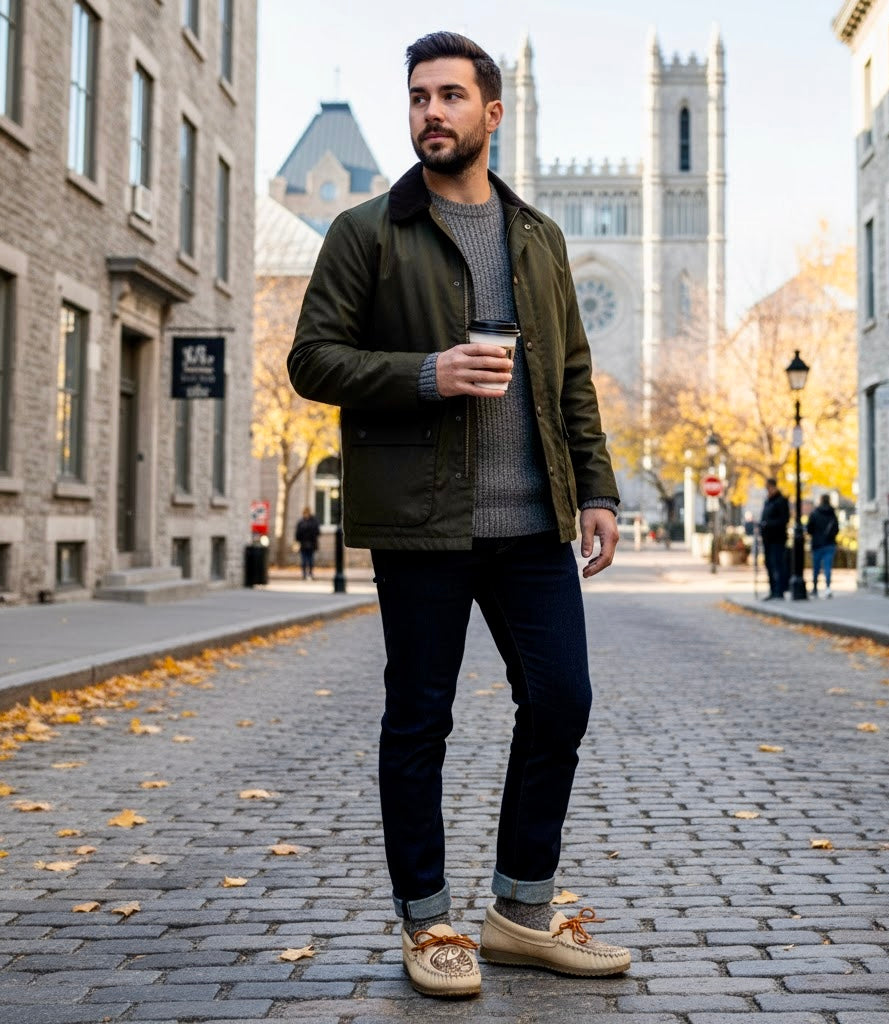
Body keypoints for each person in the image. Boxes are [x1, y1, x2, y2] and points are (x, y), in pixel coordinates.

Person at [287, 30, 630, 998]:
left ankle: (521, 912)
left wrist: (596, 489)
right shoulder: (366, 232)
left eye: (448, 96)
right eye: (417, 97)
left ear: (492, 112)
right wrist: (428, 373)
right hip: (424, 525)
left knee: (562, 698)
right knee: (420, 721)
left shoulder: (539, 238)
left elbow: (570, 377)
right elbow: (312, 359)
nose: (429, 112)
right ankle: (429, 922)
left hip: (532, 526)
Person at [760, 478, 790, 600]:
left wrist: (768, 523)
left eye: (768, 488)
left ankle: (779, 591)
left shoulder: (781, 501)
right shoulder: (768, 502)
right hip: (767, 539)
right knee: (769, 565)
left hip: (777, 539)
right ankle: (773, 590)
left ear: (773, 487)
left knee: (777, 564)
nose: (767, 491)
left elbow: (784, 520)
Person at [807, 493, 839, 597]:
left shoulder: (815, 513)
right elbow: (836, 529)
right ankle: (828, 588)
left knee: (816, 567)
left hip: (817, 544)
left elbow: (809, 529)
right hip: (829, 543)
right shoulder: (832, 513)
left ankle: (815, 588)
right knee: (827, 567)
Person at [294, 507, 320, 579]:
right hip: (304, 544)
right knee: (305, 560)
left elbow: (317, 532)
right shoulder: (303, 522)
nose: (306, 515)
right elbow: (297, 534)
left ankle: (309, 574)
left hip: (310, 544)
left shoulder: (311, 522)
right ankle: (305, 574)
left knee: (310, 560)